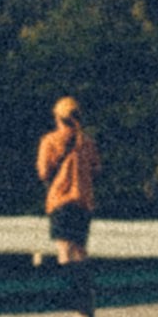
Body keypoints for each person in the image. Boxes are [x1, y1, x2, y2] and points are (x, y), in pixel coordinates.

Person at [36, 95, 98, 267]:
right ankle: (83, 285)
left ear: (58, 118)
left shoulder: (49, 141)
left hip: (60, 200)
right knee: (80, 249)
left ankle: (69, 285)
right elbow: (96, 169)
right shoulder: (87, 142)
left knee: (64, 248)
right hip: (83, 200)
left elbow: (43, 172)